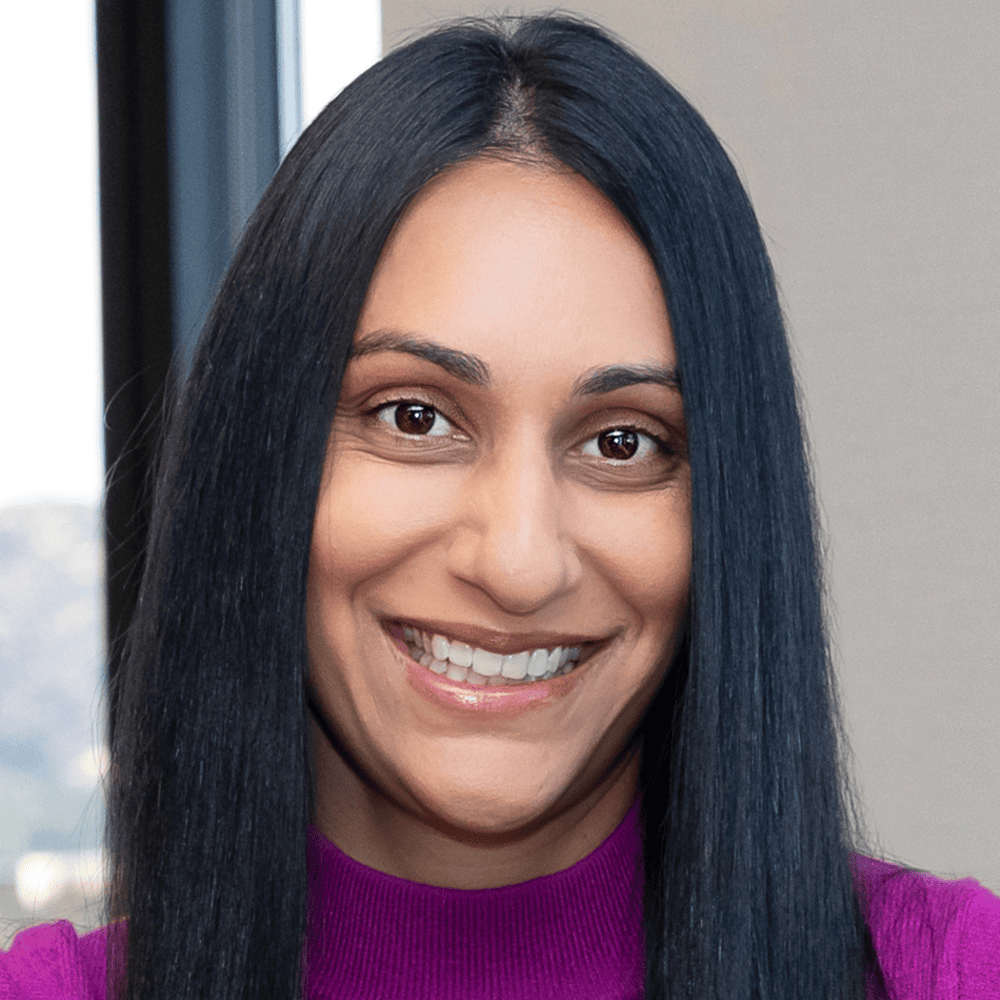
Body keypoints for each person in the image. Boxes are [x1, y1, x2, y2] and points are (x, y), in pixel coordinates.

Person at [2, 13, 998, 1000]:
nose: (518, 561)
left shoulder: (944, 974)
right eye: (416, 417)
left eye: (622, 441)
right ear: (262, 455)